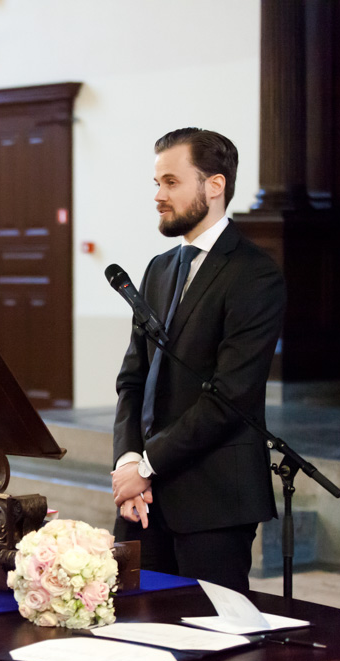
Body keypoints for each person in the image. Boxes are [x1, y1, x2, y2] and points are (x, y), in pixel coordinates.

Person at [110, 128, 285, 592]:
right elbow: (133, 379)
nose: (158, 196)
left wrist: (146, 465)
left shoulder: (254, 273)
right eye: (156, 184)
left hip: (215, 500)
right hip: (144, 501)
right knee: (132, 629)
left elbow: (232, 397)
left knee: (213, 645)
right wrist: (129, 460)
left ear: (214, 185)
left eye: (170, 182)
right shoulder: (159, 269)